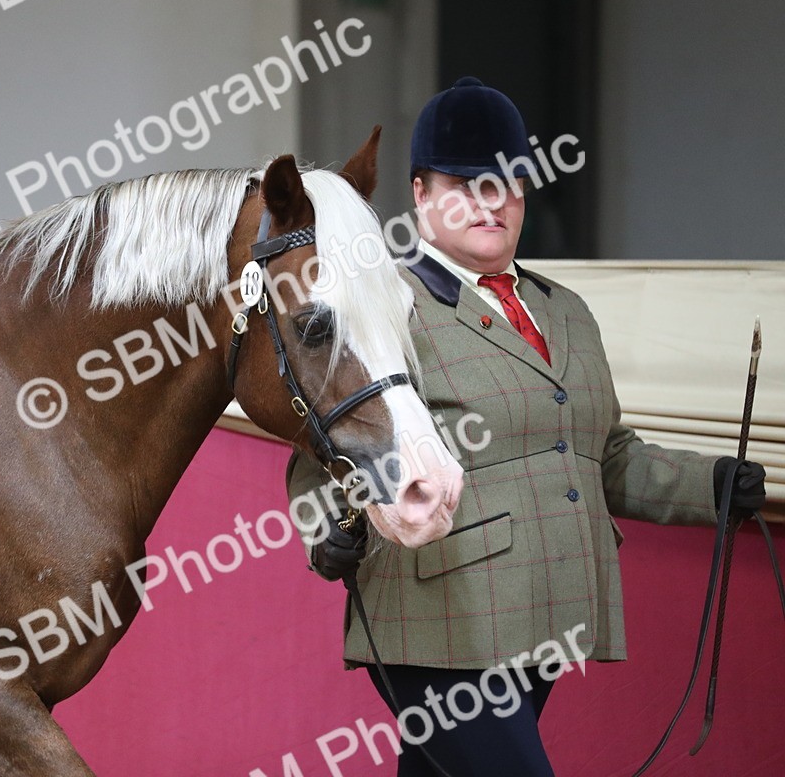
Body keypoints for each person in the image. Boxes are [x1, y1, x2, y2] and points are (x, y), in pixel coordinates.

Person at [286, 76, 768, 776]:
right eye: (465, 183)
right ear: (420, 195)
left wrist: (714, 485)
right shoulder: (387, 303)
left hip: (545, 612)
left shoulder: (566, 311)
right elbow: (317, 458)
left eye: (506, 182)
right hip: (437, 619)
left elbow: (609, 457)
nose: (491, 200)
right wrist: (325, 530)